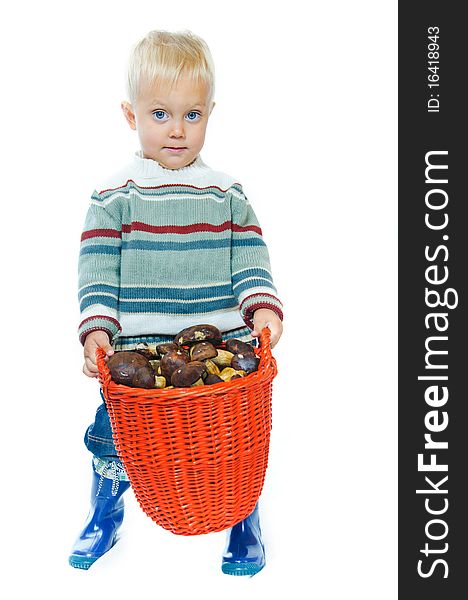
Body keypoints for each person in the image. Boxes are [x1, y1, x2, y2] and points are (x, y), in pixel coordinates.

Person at [70, 29, 284, 576]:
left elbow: (250, 260)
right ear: (130, 113)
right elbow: (98, 273)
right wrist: (97, 330)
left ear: (210, 113)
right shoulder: (114, 196)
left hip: (219, 358)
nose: (177, 129)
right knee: (111, 438)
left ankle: (244, 519)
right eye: (160, 113)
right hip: (139, 360)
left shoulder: (226, 192)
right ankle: (106, 511)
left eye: (192, 115)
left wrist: (261, 307)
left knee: (232, 443)